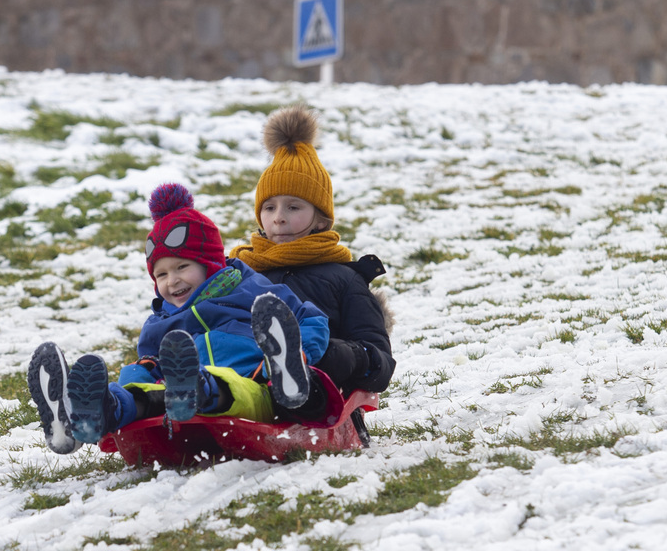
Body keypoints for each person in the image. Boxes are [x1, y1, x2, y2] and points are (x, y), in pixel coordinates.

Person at [26, 182, 333, 455]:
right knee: (141, 386)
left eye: (182, 267)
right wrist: (138, 377)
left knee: (228, 387)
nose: (172, 281)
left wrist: (296, 355)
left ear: (211, 263)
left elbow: (310, 318)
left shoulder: (248, 288)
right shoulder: (160, 321)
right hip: (174, 395)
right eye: (161, 274)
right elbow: (151, 365)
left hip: (252, 384)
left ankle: (201, 386)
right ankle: (91, 413)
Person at [229, 104, 395, 442]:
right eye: (269, 207)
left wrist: (335, 354)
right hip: (244, 375)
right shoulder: (239, 273)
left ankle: (292, 373)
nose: (279, 218)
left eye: (294, 207)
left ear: (321, 218)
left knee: (303, 374)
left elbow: (380, 363)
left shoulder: (343, 279)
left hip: (319, 393)